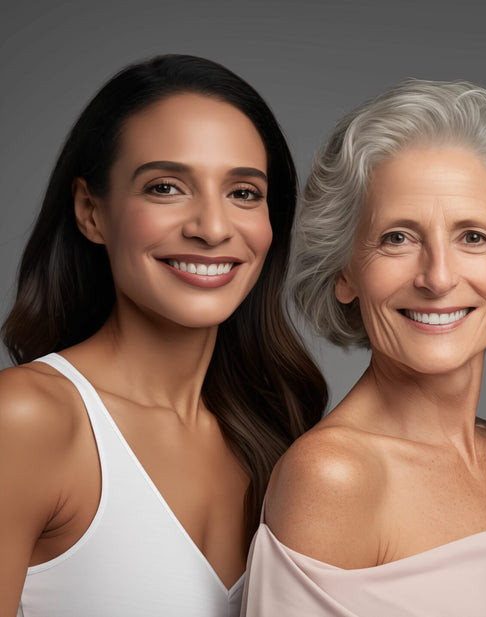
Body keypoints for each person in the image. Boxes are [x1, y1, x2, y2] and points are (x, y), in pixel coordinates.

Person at [0, 55, 326, 616]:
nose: (212, 227)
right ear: (90, 212)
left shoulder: (282, 435)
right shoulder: (26, 419)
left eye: (243, 193)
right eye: (167, 187)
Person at [241, 80, 486, 616]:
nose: (437, 277)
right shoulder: (334, 476)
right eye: (397, 237)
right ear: (345, 273)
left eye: (473, 237)